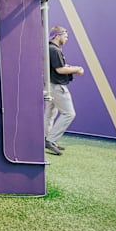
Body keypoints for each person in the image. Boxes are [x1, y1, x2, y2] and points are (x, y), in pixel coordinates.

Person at [44, 26, 84, 155]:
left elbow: (59, 66)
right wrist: (77, 69)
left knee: (50, 114)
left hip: (49, 85)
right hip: (56, 86)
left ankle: (46, 139)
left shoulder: (50, 48)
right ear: (57, 36)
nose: (66, 39)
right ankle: (50, 140)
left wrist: (70, 67)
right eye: (65, 36)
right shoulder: (54, 50)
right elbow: (60, 70)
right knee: (69, 114)